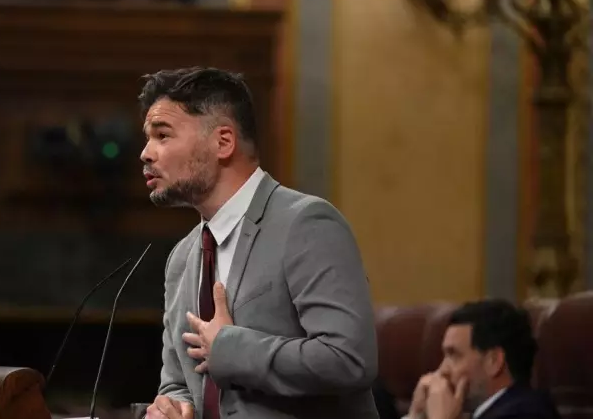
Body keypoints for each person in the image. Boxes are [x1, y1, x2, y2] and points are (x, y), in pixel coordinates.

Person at [138, 67, 379, 419]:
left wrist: (230, 348)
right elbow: (177, 383)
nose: (146, 153)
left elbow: (350, 359)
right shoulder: (182, 257)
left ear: (223, 142)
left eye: (162, 135)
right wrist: (173, 408)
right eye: (147, 138)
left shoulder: (306, 223)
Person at [407, 299, 560, 419]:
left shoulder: (526, 414)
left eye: (454, 355)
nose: (442, 371)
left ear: (493, 361)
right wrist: (416, 416)